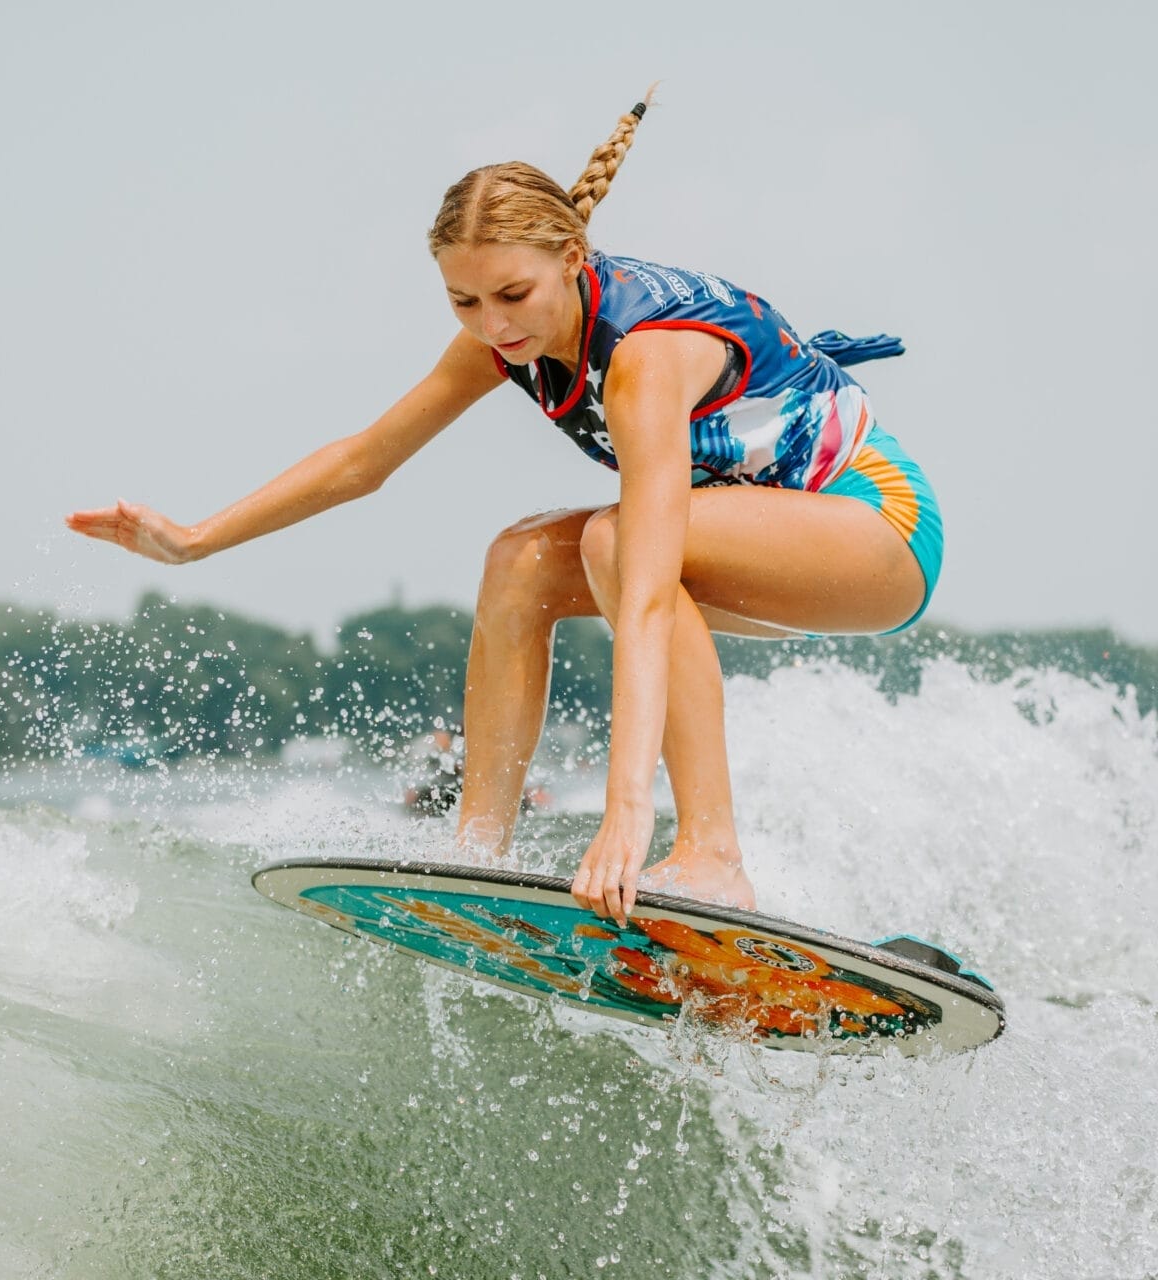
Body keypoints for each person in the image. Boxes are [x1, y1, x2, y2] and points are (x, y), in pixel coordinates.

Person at [67, 92, 942, 929]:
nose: (492, 326)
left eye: (511, 296)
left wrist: (624, 812)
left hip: (874, 531)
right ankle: (477, 856)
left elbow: (642, 588)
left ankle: (712, 853)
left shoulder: (644, 357)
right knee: (518, 561)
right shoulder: (506, 336)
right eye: (464, 301)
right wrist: (197, 541)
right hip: (759, 542)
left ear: (571, 258)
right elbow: (364, 461)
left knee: (612, 542)